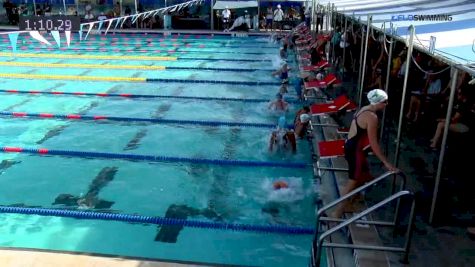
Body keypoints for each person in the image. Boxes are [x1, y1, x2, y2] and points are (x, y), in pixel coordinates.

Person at [332, 89, 398, 218]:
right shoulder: (372, 117)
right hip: (355, 151)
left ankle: (350, 204)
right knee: (354, 179)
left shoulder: (364, 109)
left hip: (351, 147)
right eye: (385, 102)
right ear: (378, 102)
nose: (386, 104)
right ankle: (337, 212)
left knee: (362, 177)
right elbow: (374, 144)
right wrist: (385, 162)